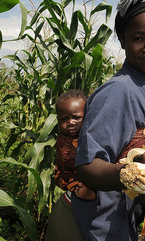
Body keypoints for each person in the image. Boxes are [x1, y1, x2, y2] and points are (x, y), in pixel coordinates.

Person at [73, 0, 145, 241]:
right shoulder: (118, 92)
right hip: (106, 229)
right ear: (123, 40)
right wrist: (132, 177)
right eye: (137, 38)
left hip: (134, 227)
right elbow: (87, 166)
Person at [45, 89, 96, 241]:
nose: (70, 123)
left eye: (76, 118)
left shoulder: (89, 135)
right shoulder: (64, 141)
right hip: (71, 181)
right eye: (64, 119)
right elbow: (67, 169)